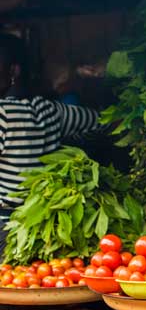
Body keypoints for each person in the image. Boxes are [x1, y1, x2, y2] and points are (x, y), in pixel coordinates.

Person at [0, 33, 107, 252]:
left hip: (5, 227)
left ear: (13, 71)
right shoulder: (50, 110)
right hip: (43, 227)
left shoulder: (2, 114)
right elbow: (103, 121)